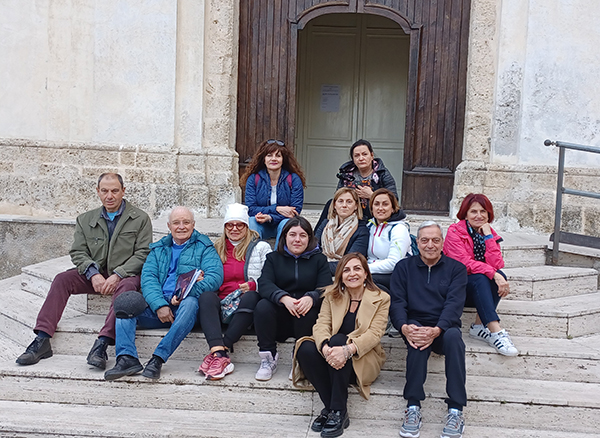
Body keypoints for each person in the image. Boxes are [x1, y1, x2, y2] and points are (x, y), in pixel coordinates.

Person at [16, 173, 152, 370]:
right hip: (96, 274)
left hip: (125, 276)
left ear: (123, 191)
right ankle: (42, 340)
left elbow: (143, 252)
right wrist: (92, 273)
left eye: (115, 190)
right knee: (62, 279)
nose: (110, 196)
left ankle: (102, 344)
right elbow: (78, 251)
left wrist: (118, 274)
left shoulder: (140, 218)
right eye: (104, 191)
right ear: (98, 192)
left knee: (127, 288)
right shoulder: (85, 219)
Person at [104, 207, 223, 380]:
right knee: (125, 303)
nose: (181, 227)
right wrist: (160, 304)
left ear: (193, 224)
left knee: (190, 303)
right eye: (176, 223)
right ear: (169, 226)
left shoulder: (205, 247)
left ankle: (157, 359)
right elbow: (148, 280)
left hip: (186, 309)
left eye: (186, 222)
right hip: (158, 307)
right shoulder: (158, 249)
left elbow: (214, 277)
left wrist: (182, 294)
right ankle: (126, 358)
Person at [294, 253, 389, 438]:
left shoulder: (381, 298)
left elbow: (375, 334)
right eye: (346, 270)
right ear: (340, 276)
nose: (352, 274)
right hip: (332, 358)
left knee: (339, 339)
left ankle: (336, 409)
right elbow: (321, 324)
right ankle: (334, 410)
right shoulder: (332, 296)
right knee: (305, 347)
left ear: (366, 273)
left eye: (357, 269)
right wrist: (324, 347)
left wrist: (347, 350)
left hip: (362, 358)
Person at [390, 221, 467, 438]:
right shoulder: (403, 268)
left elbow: (454, 305)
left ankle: (455, 410)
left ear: (442, 242)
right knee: (416, 340)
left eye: (435, 240)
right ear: (417, 243)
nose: (430, 245)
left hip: (445, 327)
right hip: (414, 322)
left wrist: (437, 329)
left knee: (454, 339)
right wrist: (404, 327)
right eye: (424, 240)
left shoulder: (456, 269)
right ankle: (413, 406)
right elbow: (397, 302)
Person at [197, 203, 271, 380]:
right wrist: (201, 277)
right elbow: (206, 274)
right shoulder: (215, 248)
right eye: (230, 225)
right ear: (224, 227)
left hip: (245, 307)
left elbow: (271, 278)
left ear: (247, 226)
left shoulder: (261, 247)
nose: (235, 229)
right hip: (222, 305)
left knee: (252, 296)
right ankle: (220, 354)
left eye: (240, 225)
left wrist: (254, 285)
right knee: (206, 297)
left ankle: (222, 349)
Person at [253, 216, 332, 381]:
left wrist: (312, 297)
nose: (297, 239)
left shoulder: (319, 259)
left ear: (309, 238)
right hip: (280, 315)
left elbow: (326, 287)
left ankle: (299, 359)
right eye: (292, 235)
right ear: (284, 237)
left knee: (311, 311)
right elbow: (264, 283)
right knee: (262, 306)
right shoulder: (273, 258)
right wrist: (283, 297)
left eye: (303, 235)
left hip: (305, 317)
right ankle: (268, 358)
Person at [444, 193, 518, 356]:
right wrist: (493, 273)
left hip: (477, 285)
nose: (479, 216)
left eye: (483, 211)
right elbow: (462, 263)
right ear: (465, 213)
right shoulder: (455, 232)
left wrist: (489, 237)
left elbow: (496, 264)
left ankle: (478, 326)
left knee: (497, 275)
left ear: (488, 214)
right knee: (484, 276)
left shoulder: (489, 232)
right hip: (455, 287)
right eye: (473, 211)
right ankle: (496, 331)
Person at [241, 139, 306, 246]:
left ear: (283, 159)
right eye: (269, 155)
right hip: (261, 224)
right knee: (252, 222)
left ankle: (277, 260)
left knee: (288, 223)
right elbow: (251, 209)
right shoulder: (254, 179)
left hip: (283, 223)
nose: (273, 159)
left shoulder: (293, 179)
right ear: (264, 159)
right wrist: (276, 209)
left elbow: (295, 212)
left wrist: (270, 217)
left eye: (278, 156)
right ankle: (253, 258)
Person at [317, 139, 397, 222]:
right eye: (357, 155)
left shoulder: (382, 173)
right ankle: (319, 233)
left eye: (364, 154)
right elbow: (338, 195)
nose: (361, 158)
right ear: (353, 159)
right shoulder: (346, 174)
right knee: (330, 203)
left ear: (372, 156)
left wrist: (372, 196)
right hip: (350, 212)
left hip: (373, 213)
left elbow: (394, 199)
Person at [314, 188, 369, 276]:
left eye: (349, 202)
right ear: (334, 205)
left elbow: (352, 262)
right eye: (340, 201)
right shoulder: (325, 224)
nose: (344, 205)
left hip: (345, 274)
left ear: (356, 206)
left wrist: (318, 267)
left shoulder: (361, 231)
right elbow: (314, 248)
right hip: (320, 269)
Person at [366, 188, 412, 292]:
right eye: (376, 204)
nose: (380, 208)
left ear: (393, 208)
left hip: (396, 275)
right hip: (372, 270)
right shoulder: (370, 226)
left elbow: (394, 263)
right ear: (371, 208)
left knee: (367, 281)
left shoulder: (399, 229)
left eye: (385, 204)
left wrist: (365, 269)